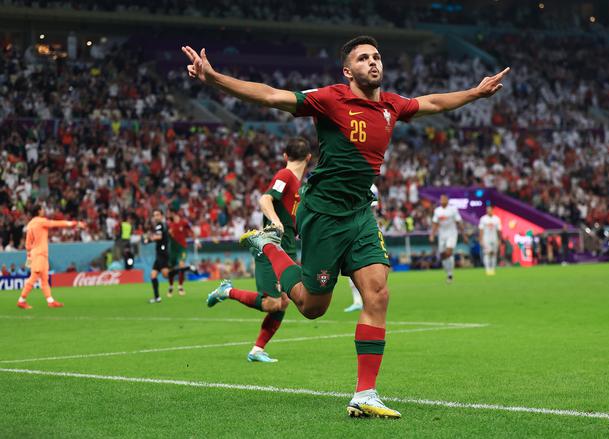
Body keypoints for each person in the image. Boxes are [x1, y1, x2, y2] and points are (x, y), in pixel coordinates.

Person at [183, 35, 509, 419]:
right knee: (310, 306)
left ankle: (365, 394)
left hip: (359, 214)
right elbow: (271, 95)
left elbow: (434, 102)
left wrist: (475, 92)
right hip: (322, 214)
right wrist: (215, 78)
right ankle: (269, 246)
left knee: (379, 293)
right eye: (363, 58)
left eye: (376, 57)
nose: (373, 62)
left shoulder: (391, 105)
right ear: (347, 70)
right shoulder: (330, 98)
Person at [207, 138, 312, 363]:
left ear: (285, 155)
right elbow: (265, 199)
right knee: (272, 303)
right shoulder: (284, 177)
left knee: (285, 300)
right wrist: (276, 222)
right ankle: (226, 291)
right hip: (270, 245)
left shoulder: (300, 185)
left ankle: (256, 350)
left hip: (288, 247)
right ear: (309, 158)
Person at [17, 204, 86, 309]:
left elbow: (27, 244)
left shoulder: (30, 224)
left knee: (45, 278)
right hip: (39, 254)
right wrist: (75, 223)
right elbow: (56, 223)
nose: (43, 211)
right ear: (39, 211)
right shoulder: (41, 221)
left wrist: (29, 258)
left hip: (39, 254)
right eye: (42, 209)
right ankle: (21, 300)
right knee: (34, 276)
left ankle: (50, 301)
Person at [345, 183, 379, 313]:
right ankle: (357, 301)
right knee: (351, 267)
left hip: (365, 231)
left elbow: (371, 209)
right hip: (352, 231)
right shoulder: (349, 182)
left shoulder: (371, 187)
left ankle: (369, 299)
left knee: (369, 267)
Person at [430, 194, 463, 284]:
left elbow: (458, 222)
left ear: (447, 200)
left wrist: (464, 234)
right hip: (442, 235)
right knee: (443, 255)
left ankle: (450, 274)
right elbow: (435, 223)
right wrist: (432, 234)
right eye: (441, 199)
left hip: (452, 234)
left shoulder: (453, 210)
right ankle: (448, 273)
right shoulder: (437, 211)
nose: (443, 201)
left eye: (444, 199)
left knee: (449, 252)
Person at [167, 211, 197, 297]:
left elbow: (191, 230)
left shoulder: (183, 223)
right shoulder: (170, 225)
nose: (173, 215)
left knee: (181, 265)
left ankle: (180, 287)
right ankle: (171, 287)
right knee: (171, 269)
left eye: (174, 213)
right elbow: (168, 236)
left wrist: (196, 240)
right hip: (173, 250)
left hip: (182, 248)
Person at [143, 209, 169, 303]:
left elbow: (159, 237)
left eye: (158, 214)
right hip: (159, 254)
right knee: (153, 275)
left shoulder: (160, 225)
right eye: (154, 215)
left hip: (162, 253)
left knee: (166, 275)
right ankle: (157, 297)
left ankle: (182, 270)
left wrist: (148, 239)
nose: (156, 217)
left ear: (161, 216)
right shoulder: (160, 226)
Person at [478, 205, 502, 275]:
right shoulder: (483, 219)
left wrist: (499, 239)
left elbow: (499, 230)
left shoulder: (497, 219)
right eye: (488, 210)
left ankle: (493, 269)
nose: (489, 211)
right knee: (487, 253)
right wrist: (481, 239)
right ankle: (487, 269)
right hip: (486, 238)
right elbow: (481, 230)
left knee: (494, 253)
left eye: (490, 210)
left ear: (492, 210)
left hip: (494, 238)